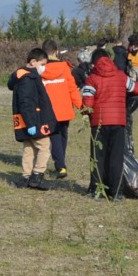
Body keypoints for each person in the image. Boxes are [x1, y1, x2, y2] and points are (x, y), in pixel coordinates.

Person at [80, 46, 138, 199]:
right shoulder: (121, 76)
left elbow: (87, 104)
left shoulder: (92, 78)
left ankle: (97, 190)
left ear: (94, 63)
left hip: (99, 123)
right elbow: (137, 89)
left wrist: (86, 113)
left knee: (97, 157)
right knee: (116, 158)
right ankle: (116, 192)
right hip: (118, 122)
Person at [8, 47, 58, 190]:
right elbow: (26, 102)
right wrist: (31, 123)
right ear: (33, 61)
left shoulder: (23, 76)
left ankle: (26, 177)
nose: (44, 68)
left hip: (25, 120)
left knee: (29, 148)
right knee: (44, 146)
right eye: (42, 64)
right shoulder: (28, 78)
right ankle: (37, 175)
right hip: (32, 120)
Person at [40, 39, 82, 179]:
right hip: (64, 108)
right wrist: (82, 106)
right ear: (57, 51)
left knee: (55, 137)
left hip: (48, 110)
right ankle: (61, 164)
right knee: (62, 135)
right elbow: (72, 88)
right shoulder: (64, 68)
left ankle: (61, 165)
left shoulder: (40, 70)